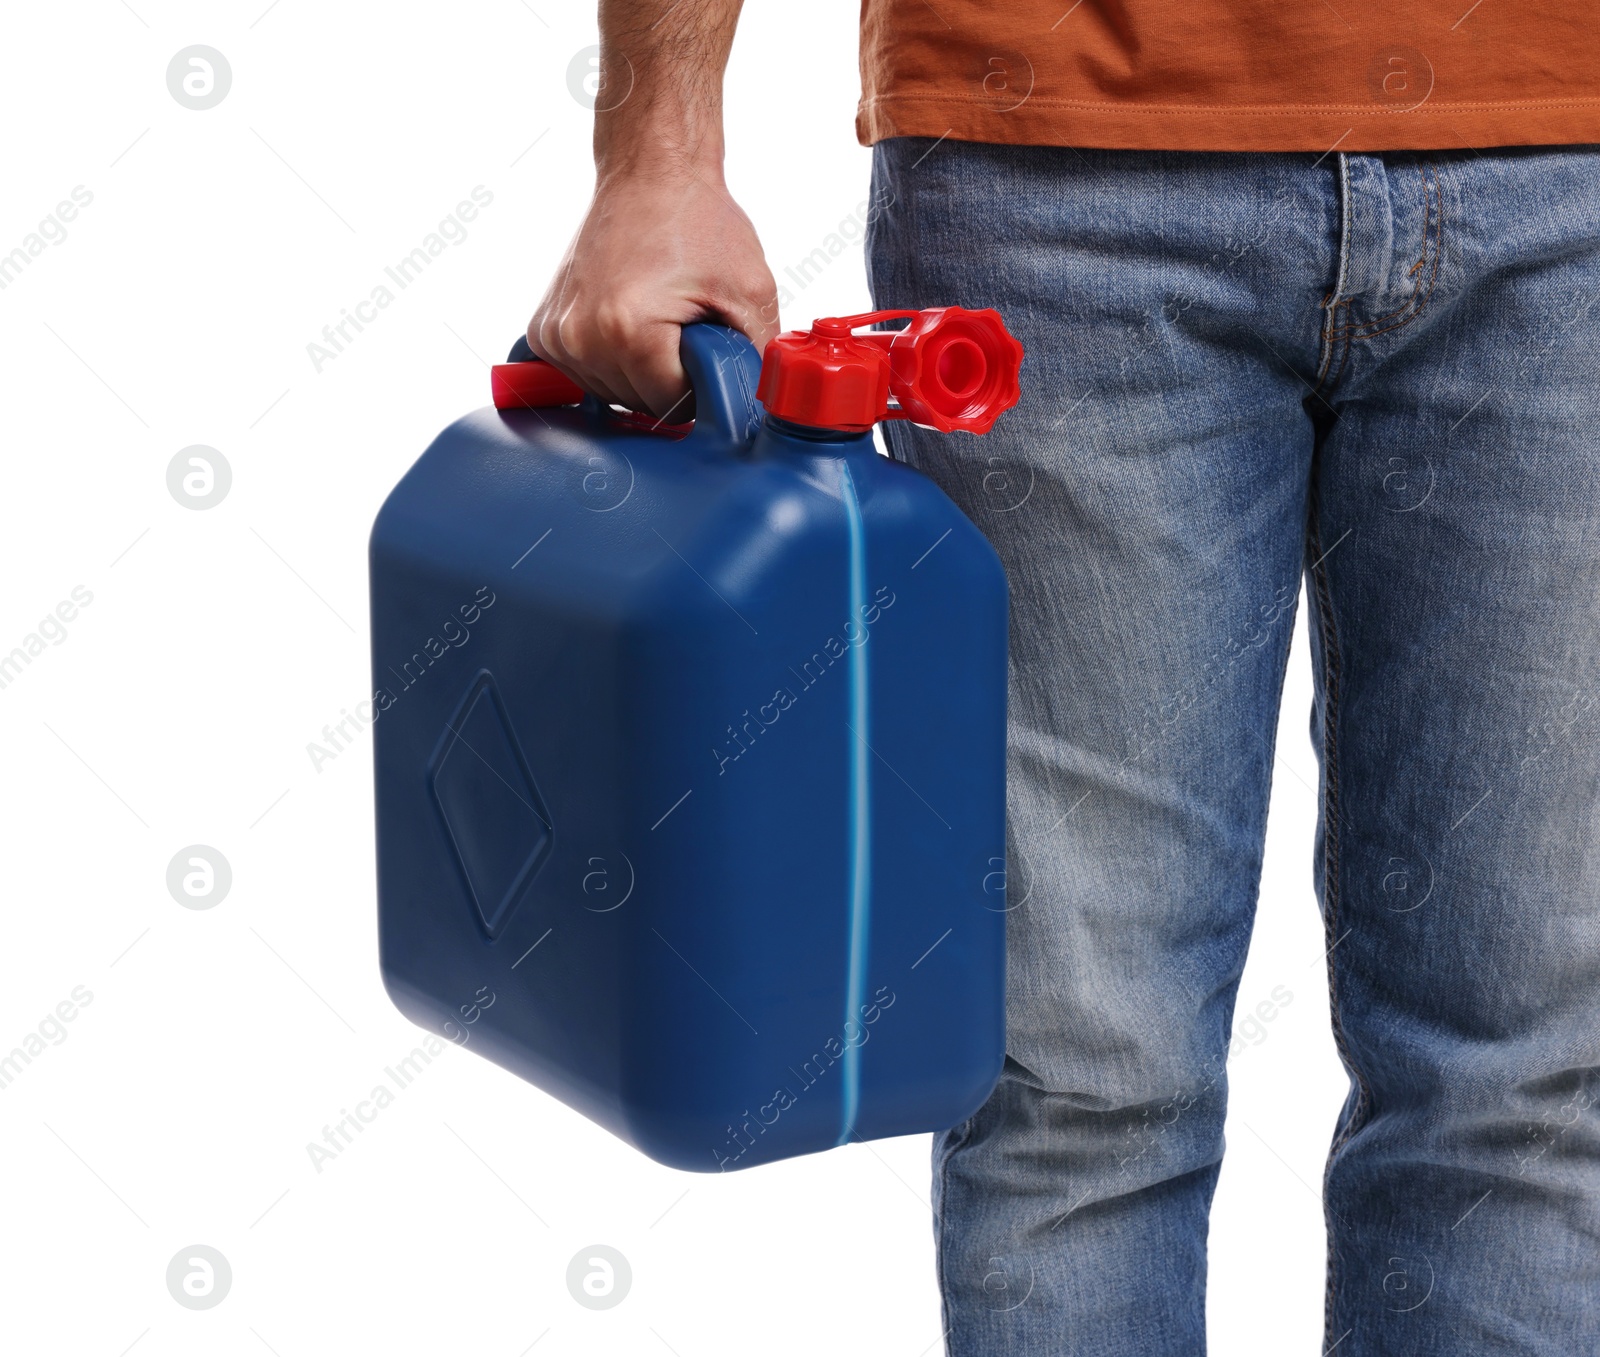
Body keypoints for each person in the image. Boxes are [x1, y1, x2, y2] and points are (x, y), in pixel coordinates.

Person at [527, 4, 1600, 1352]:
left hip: (1568, 154)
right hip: (1056, 160)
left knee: (1527, 1097)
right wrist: (658, 150)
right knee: (1082, 1088)